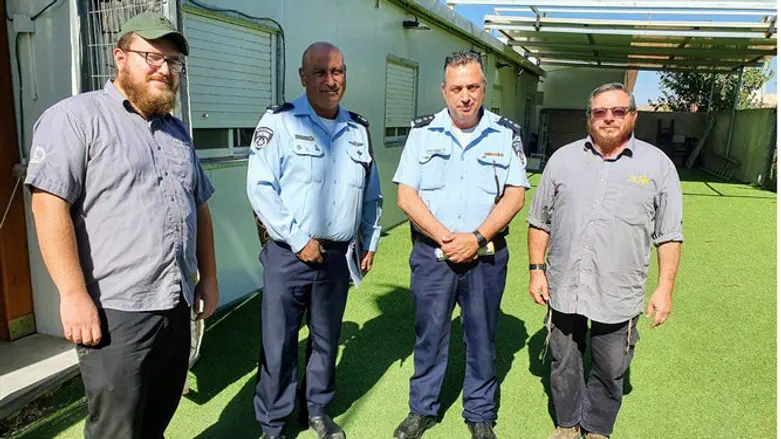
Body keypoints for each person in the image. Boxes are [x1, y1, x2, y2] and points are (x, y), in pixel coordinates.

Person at [24, 11, 218, 439]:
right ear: (119, 57)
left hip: (174, 302)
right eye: (152, 56)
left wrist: (208, 278)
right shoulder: (76, 118)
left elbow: (198, 206)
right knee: (117, 428)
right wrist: (73, 295)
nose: (164, 69)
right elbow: (48, 205)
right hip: (117, 311)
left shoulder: (176, 132)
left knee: (157, 416)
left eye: (173, 62)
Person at [527, 82, 683, 439]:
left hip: (619, 289)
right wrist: (537, 271)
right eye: (600, 111)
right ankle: (567, 424)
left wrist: (665, 288)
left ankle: (596, 426)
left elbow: (669, 234)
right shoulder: (562, 160)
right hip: (565, 284)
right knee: (564, 359)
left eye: (618, 111)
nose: (608, 118)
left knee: (611, 366)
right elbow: (539, 221)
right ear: (589, 117)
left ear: (632, 116)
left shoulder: (657, 166)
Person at [246, 41, 383, 439]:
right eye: (320, 72)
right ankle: (273, 423)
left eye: (337, 71)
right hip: (289, 255)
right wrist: (298, 238)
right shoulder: (280, 123)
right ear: (303, 78)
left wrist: (370, 240)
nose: (330, 80)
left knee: (326, 340)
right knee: (279, 343)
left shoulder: (358, 129)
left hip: (337, 257)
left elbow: (371, 193)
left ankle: (317, 410)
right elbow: (260, 188)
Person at [391, 50, 529, 439]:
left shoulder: (505, 133)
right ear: (444, 90)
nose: (465, 96)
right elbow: (407, 195)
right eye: (457, 88)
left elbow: (515, 195)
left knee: (483, 335)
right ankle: (422, 409)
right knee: (429, 333)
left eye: (472, 87)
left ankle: (480, 414)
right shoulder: (422, 133)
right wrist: (448, 238)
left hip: (485, 255)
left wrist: (477, 238)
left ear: (484, 87)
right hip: (434, 253)